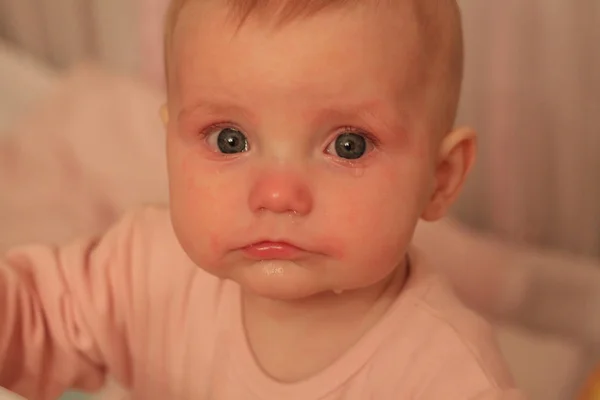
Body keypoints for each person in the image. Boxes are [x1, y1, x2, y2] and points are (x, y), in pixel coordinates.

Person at [0, 0, 525, 398]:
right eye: (229, 139)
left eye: (348, 145)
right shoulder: (141, 267)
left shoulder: (448, 378)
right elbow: (31, 319)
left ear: (440, 179)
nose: (277, 195)